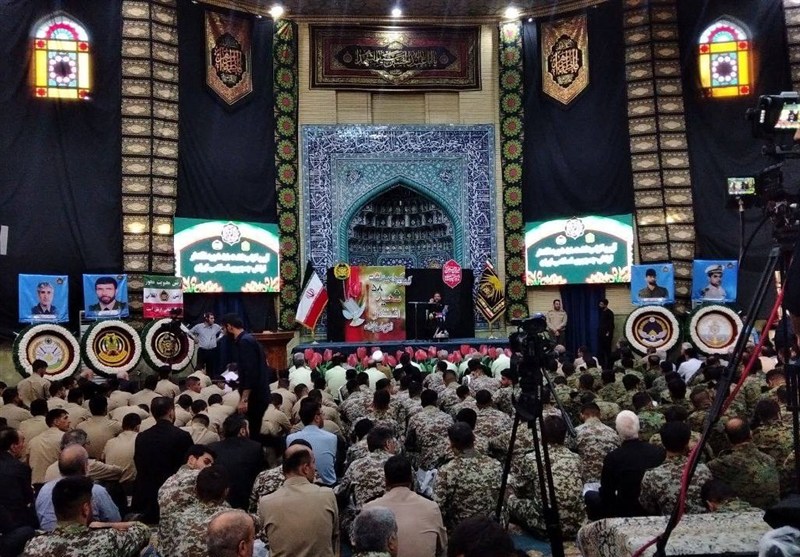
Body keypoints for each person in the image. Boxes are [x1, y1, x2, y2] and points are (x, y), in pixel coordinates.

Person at [22, 476, 150, 557]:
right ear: (86, 508)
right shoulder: (108, 540)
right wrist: (105, 525)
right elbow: (143, 529)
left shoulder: (34, 546)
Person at [258, 444, 338, 557]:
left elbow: (265, 539)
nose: (315, 468)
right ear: (305, 468)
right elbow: (334, 536)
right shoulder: (327, 495)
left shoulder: (266, 502)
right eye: (313, 463)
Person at [363, 455, 446, 557]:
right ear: (411, 479)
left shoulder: (369, 509)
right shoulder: (431, 507)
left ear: (386, 481)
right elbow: (442, 548)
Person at [131, 397, 193, 523]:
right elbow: (188, 467)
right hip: (173, 494)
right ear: (171, 412)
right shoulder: (182, 436)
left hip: (146, 494)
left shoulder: (142, 437)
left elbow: (138, 463)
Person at [434, 422, 502, 531]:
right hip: (489, 528)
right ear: (474, 439)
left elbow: (438, 506)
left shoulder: (448, 470)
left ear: (452, 444)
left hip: (461, 530)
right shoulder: (496, 465)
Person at [35, 444, 120, 531]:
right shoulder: (95, 490)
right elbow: (115, 520)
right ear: (85, 466)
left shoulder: (44, 490)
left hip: (50, 537)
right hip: (88, 537)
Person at [221, 313, 272, 440]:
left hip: (255, 397)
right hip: (259, 395)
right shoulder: (249, 339)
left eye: (223, 328)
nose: (223, 332)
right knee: (253, 431)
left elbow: (251, 373)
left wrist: (244, 400)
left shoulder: (245, 342)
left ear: (229, 327)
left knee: (248, 432)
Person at [208, 414, 265, 510]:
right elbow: (259, 474)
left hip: (218, 499)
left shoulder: (212, 447)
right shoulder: (255, 447)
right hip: (246, 499)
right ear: (242, 431)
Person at [0, 427, 37, 557]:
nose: (24, 445)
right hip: (12, 526)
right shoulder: (20, 468)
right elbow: (27, 499)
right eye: (22, 441)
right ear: (13, 446)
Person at [286, 399, 338, 486]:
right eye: (322, 414)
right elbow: (331, 462)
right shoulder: (332, 438)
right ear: (317, 418)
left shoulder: (290, 438)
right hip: (327, 485)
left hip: (299, 485)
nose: (323, 417)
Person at [190, 312, 224, 378]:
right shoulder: (199, 327)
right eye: (211, 318)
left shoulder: (216, 326)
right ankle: (200, 381)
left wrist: (218, 338)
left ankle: (210, 381)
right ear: (206, 318)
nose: (213, 320)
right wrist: (194, 338)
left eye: (213, 318)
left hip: (212, 351)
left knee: (211, 369)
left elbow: (223, 331)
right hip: (202, 351)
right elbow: (189, 332)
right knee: (199, 368)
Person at [597, 298, 615, 368]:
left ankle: (609, 366)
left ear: (605, 305)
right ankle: (602, 365)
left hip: (607, 336)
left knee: (607, 351)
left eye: (601, 304)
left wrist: (608, 333)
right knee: (601, 351)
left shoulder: (609, 313)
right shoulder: (602, 312)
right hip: (601, 335)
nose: (600, 305)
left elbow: (611, 325)